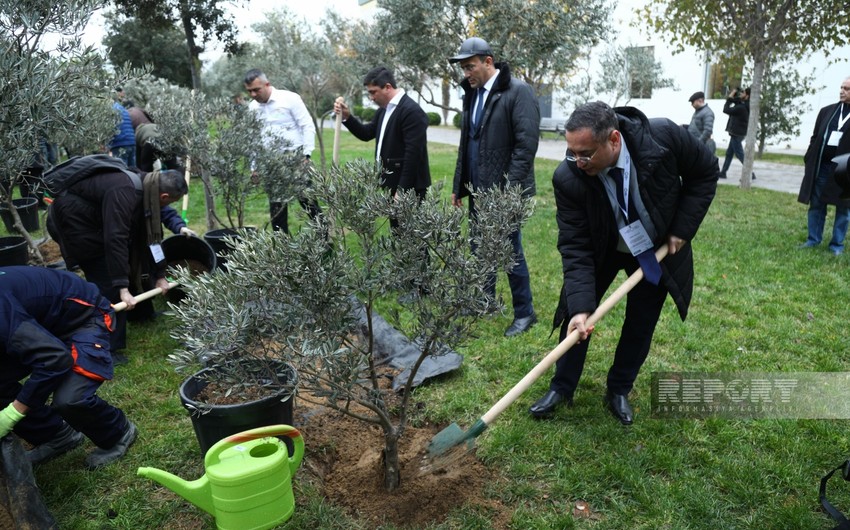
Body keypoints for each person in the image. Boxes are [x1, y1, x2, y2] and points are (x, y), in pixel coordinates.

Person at [529, 101, 717, 425]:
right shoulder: (569, 176)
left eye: (585, 153)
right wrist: (580, 308)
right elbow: (575, 246)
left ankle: (619, 388)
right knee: (576, 317)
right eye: (572, 151)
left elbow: (705, 171)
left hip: (653, 247)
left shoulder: (664, 138)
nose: (577, 161)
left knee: (641, 321)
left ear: (614, 140)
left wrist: (682, 229)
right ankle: (562, 386)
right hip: (602, 248)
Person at [0, 266, 137, 469]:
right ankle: (56, 434)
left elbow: (54, 359)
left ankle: (118, 432)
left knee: (70, 399)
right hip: (42, 324)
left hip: (84, 318)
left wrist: (12, 413)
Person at [448, 37, 540, 338]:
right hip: (478, 189)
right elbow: (467, 143)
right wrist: (459, 185)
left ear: (489, 62)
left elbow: (526, 146)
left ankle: (525, 313)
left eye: (470, 66)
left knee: (510, 251)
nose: (467, 73)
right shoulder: (471, 94)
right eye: (463, 68)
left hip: (504, 192)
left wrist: (508, 191)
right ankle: (484, 301)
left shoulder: (518, 92)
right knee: (479, 245)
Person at [46, 167, 188, 354]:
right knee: (108, 280)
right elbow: (115, 239)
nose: (167, 205)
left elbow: (162, 213)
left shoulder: (149, 184)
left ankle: (141, 314)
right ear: (163, 196)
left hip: (100, 220)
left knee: (134, 259)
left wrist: (179, 227)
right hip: (77, 224)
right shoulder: (124, 192)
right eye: (171, 201)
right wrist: (122, 287)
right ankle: (109, 346)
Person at [334, 66, 431, 202]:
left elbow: (413, 155)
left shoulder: (411, 111)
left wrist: (402, 190)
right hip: (391, 185)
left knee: (406, 224)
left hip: (410, 189)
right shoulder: (384, 110)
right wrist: (347, 117)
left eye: (373, 92)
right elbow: (366, 133)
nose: (371, 98)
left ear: (387, 87)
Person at [243, 69, 319, 233]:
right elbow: (253, 140)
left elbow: (307, 125)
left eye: (257, 89)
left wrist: (306, 155)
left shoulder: (289, 98)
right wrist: (254, 167)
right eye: (249, 91)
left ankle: (325, 241)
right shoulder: (252, 108)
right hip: (271, 163)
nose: (253, 94)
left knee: (308, 202)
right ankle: (282, 249)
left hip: (296, 158)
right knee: (277, 208)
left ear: (267, 84)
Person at [798, 77, 850, 255]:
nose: (842, 91)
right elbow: (815, 137)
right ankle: (813, 239)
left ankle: (836, 245)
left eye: (847, 89)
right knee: (817, 203)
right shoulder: (827, 111)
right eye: (841, 87)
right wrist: (809, 156)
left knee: (843, 208)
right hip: (823, 167)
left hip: (844, 171)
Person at [719, 87, 754, 180]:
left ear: (747, 95)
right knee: (729, 153)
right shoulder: (746, 104)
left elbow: (726, 109)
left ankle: (751, 173)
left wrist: (730, 96)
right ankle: (723, 172)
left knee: (740, 154)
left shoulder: (741, 108)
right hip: (737, 133)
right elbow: (736, 100)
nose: (740, 94)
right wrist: (733, 96)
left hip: (737, 134)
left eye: (742, 93)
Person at [109, 96, 136, 168]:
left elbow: (110, 129)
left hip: (120, 144)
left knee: (122, 170)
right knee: (133, 169)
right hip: (131, 141)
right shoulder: (122, 108)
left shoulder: (110, 110)